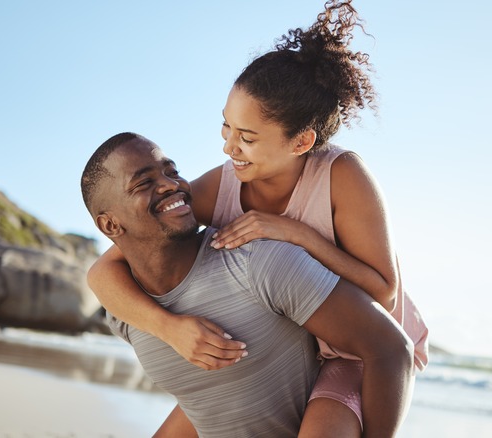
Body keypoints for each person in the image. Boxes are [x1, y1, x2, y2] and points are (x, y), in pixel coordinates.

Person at [88, 1, 429, 436]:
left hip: (355, 350)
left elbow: (383, 291)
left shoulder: (342, 176)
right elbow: (104, 270)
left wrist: (297, 234)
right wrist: (170, 329)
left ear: (301, 141)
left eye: (246, 138)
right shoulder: (222, 186)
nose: (229, 148)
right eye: (226, 127)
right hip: (289, 341)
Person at [80, 133, 414, 437]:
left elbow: (392, 347)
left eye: (172, 170)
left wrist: (300, 235)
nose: (171, 185)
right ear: (110, 224)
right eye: (143, 183)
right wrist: (167, 327)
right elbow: (213, 397)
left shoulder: (262, 262)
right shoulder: (126, 307)